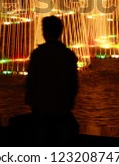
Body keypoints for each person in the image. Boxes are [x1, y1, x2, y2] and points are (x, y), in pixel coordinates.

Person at [20, 15, 79, 145]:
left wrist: (31, 101)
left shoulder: (38, 54)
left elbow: (31, 81)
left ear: (45, 32)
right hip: (62, 108)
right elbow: (73, 84)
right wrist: (69, 102)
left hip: (41, 109)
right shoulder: (68, 55)